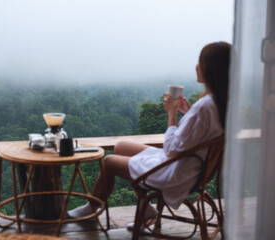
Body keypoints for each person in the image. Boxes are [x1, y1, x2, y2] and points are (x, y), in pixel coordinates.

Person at [68, 41, 231, 227]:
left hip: (176, 171)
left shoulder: (205, 106)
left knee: (109, 162)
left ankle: (92, 209)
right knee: (121, 147)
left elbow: (171, 149)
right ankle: (147, 210)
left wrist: (171, 113)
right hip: (190, 167)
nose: (196, 66)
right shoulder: (218, 103)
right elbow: (202, 130)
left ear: (211, 68)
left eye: (199, 61)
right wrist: (187, 111)